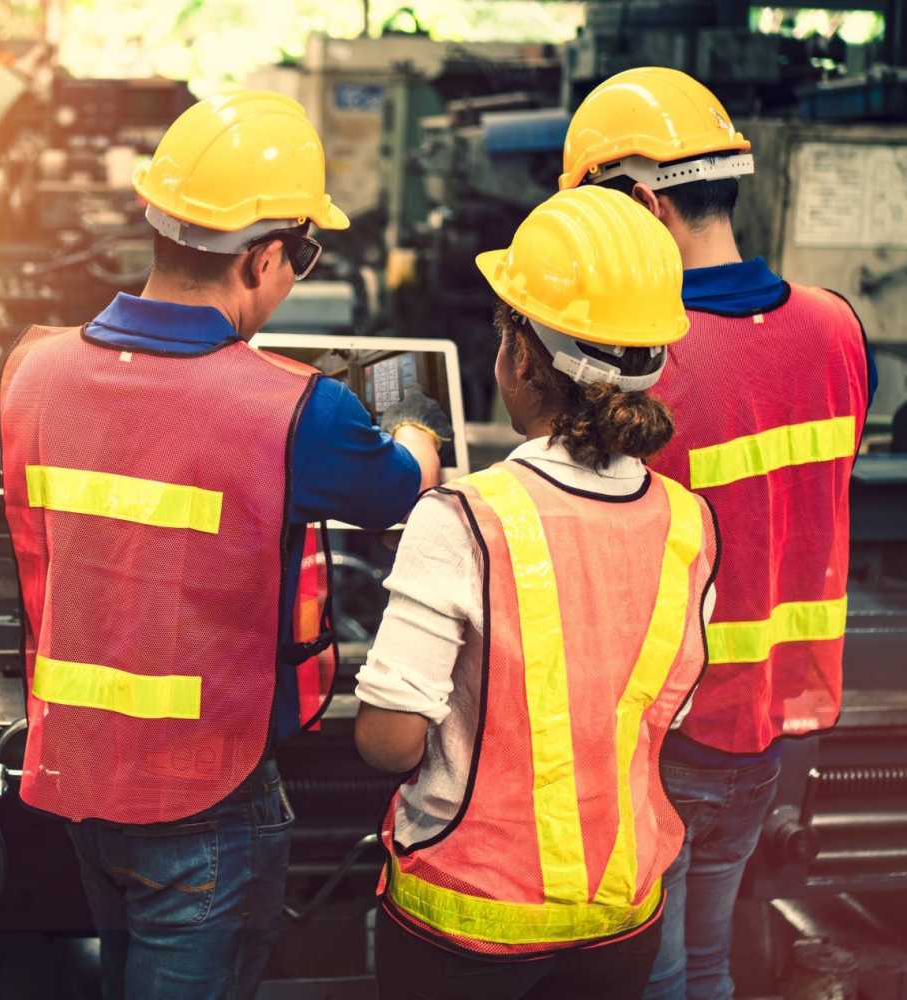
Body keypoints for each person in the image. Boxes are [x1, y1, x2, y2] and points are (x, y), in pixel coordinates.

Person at [0, 90, 446, 1000]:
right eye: (300, 259)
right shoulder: (293, 408)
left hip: (80, 772)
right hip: (207, 793)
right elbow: (400, 487)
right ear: (264, 257)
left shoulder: (34, 370)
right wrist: (415, 430)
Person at [355, 184, 720, 1000]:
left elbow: (389, 742)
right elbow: (661, 711)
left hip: (466, 923)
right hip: (620, 918)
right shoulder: (690, 525)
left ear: (520, 358)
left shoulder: (463, 517)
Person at [560, 67, 875, 1000]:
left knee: (651, 974)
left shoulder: (648, 365)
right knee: (707, 960)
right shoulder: (837, 328)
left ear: (644, 206)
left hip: (665, 724)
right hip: (773, 721)